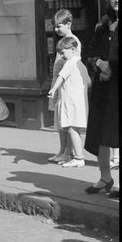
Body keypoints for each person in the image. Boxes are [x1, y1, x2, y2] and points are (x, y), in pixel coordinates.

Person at [84, 0, 119, 196]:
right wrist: (99, 63)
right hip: (103, 87)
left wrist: (112, 66)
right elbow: (91, 50)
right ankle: (105, 177)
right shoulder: (103, 23)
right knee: (100, 132)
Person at [47, 36, 91, 168]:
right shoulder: (81, 64)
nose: (62, 55)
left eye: (63, 52)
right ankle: (75, 155)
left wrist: (54, 89)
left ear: (72, 49)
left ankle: (78, 157)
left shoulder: (70, 63)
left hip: (71, 102)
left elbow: (61, 76)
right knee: (74, 129)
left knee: (72, 129)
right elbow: (88, 82)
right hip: (79, 102)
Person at [47, 9, 82, 165]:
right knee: (60, 120)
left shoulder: (72, 41)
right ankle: (62, 150)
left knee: (66, 121)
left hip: (66, 85)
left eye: (59, 26)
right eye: (55, 26)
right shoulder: (63, 41)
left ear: (68, 24)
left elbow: (72, 65)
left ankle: (68, 152)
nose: (56, 30)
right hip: (58, 82)